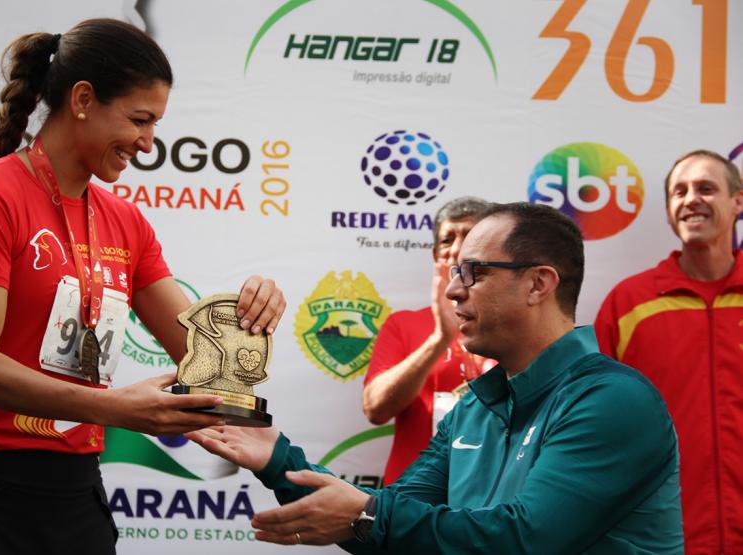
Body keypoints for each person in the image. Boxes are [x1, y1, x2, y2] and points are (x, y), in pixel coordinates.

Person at [0, 19, 285, 554]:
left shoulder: (125, 221)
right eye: (139, 120)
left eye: (155, 124)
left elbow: (204, 359)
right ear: (83, 99)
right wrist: (113, 408)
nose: (148, 143)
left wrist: (249, 315)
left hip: (72, 493)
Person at [188, 202, 684, 554]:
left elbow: (526, 540)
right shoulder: (475, 407)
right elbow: (387, 525)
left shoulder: (611, 400)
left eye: (473, 273)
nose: (452, 291)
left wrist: (369, 515)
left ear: (538, 284)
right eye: (452, 272)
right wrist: (277, 459)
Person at [595, 149, 743, 554]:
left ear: (738, 202)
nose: (691, 198)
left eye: (706, 188)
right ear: (667, 211)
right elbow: (597, 428)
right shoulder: (628, 304)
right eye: (679, 192)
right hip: (663, 540)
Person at [363, 197, 492, 485]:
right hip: (409, 500)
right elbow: (375, 409)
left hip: (490, 496)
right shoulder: (403, 323)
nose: (457, 249)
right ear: (436, 254)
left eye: (470, 237)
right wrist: (440, 339)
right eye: (448, 240)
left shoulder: (512, 324)